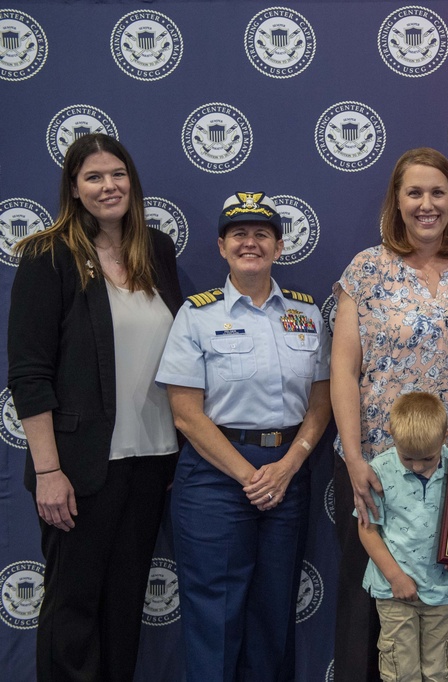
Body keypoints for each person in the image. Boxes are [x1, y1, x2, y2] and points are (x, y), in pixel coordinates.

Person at [6, 133, 182, 681]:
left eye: (117, 174)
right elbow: (29, 375)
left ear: (132, 180)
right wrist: (50, 470)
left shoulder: (155, 249)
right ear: (75, 189)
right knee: (73, 611)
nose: (108, 186)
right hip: (79, 467)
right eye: (94, 177)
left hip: (153, 462)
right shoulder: (47, 256)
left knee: (124, 607)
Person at [330, 147, 448, 680]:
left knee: (439, 605)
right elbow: (343, 370)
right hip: (378, 467)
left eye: (437, 192)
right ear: (397, 201)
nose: (426, 204)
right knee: (372, 599)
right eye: (414, 193)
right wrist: (356, 458)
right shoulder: (366, 269)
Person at [155, 191, 331, 681]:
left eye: (261, 234)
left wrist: (289, 466)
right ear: (220, 246)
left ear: (278, 246)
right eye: (239, 234)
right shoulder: (197, 314)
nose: (250, 242)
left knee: (273, 614)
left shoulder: (307, 314)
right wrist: (250, 475)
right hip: (216, 478)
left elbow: (320, 403)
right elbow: (186, 414)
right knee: (215, 615)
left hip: (286, 474)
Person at [357, 391, 448, 682]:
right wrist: (395, 577)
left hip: (443, 590)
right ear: (391, 436)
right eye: (408, 458)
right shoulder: (379, 470)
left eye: (427, 459)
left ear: (445, 435)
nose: (417, 466)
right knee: (399, 672)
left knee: (441, 670)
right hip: (394, 591)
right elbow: (368, 529)